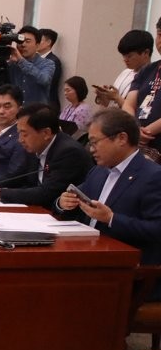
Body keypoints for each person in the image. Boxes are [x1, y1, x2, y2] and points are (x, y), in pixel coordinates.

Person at [57, 108, 161, 267]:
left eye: (95, 142)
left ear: (121, 138)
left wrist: (111, 219)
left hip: (124, 266)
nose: (91, 149)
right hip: (84, 253)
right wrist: (63, 203)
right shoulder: (98, 171)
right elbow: (76, 205)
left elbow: (157, 229)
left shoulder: (153, 176)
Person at [0, 103, 92, 208]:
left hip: (61, 217)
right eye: (19, 133)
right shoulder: (36, 145)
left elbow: (46, 193)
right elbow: (18, 176)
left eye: (24, 134)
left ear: (46, 133)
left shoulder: (69, 152)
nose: (20, 140)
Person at [122, 16, 161, 145]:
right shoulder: (148, 70)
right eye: (159, 35)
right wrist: (135, 129)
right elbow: (128, 104)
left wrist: (147, 131)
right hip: (137, 141)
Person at [96, 30, 153, 108]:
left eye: (129, 56)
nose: (125, 59)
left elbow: (141, 111)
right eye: (123, 55)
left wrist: (117, 97)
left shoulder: (152, 78)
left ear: (146, 53)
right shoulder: (125, 72)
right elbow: (112, 107)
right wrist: (104, 97)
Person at [6, 26, 55, 106]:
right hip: (16, 111)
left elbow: (44, 80)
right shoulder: (12, 63)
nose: (23, 45)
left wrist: (21, 61)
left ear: (37, 45)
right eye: (20, 41)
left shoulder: (48, 63)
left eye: (27, 41)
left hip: (37, 111)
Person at [38, 29, 63, 111]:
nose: (36, 43)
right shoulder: (35, 59)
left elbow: (48, 83)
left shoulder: (53, 61)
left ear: (48, 42)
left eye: (39, 40)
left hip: (47, 105)